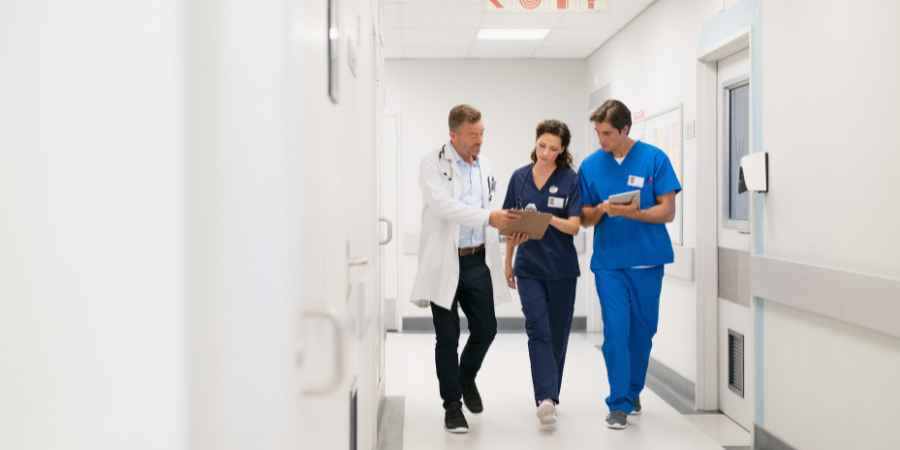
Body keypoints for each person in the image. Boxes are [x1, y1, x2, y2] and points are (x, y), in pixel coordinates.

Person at [410, 104, 518, 434]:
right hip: (446, 260)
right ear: (453, 135)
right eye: (473, 135)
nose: (479, 140)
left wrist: (507, 222)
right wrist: (490, 218)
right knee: (447, 336)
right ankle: (453, 405)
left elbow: (486, 207)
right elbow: (444, 206)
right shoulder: (432, 163)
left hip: (476, 261)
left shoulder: (484, 164)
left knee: (486, 329)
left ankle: (465, 376)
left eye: (482, 133)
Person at [578, 100, 682, 430]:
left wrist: (633, 213)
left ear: (625, 129)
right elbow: (583, 217)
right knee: (615, 332)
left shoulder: (655, 159)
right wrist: (603, 210)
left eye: (607, 133)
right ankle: (618, 403)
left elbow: (668, 211)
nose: (601, 139)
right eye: (597, 132)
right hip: (609, 264)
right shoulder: (591, 166)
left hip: (648, 263)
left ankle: (633, 390)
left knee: (643, 332)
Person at [502, 119, 582, 427]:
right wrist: (508, 261)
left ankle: (551, 394)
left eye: (552, 148)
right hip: (529, 267)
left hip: (562, 269)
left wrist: (546, 219)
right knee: (538, 329)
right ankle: (545, 397)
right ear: (535, 143)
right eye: (541, 146)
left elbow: (574, 225)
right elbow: (510, 223)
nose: (545, 153)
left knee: (558, 334)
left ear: (562, 151)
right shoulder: (519, 178)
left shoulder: (570, 180)